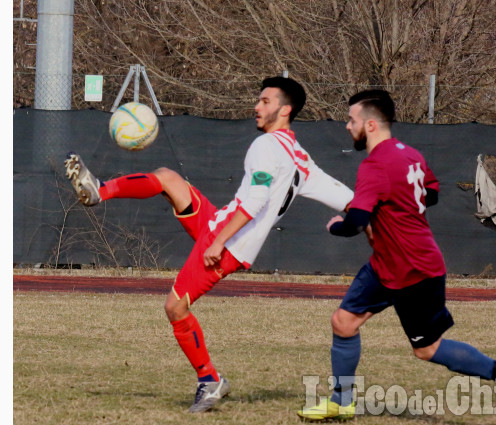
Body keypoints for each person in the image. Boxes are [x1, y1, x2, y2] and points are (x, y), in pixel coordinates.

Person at [64, 76, 354, 413]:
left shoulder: (266, 146)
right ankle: (100, 189)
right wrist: (373, 214)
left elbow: (256, 201)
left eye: (264, 101)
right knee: (168, 178)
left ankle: (209, 380)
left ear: (285, 110)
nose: (257, 107)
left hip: (228, 242)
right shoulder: (300, 157)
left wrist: (218, 241)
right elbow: (347, 198)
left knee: (175, 308)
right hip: (219, 224)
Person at [297, 90, 496, 422]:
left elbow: (355, 224)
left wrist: (336, 225)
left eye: (351, 120)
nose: (348, 127)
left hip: (414, 269)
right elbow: (432, 193)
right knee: (344, 322)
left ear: (370, 124)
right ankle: (342, 401)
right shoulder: (410, 155)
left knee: (427, 350)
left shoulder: (375, 165)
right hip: (385, 264)